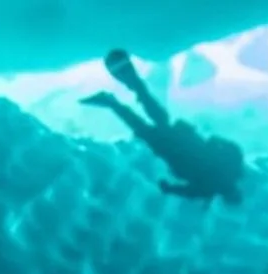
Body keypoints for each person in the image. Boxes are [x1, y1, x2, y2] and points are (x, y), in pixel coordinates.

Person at [81, 49, 245, 205]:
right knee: (140, 125)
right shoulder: (210, 189)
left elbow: (232, 148)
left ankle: (129, 81)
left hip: (182, 139)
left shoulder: (233, 169)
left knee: (154, 114)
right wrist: (167, 188)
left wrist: (212, 142)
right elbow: (186, 191)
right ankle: (112, 101)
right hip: (171, 150)